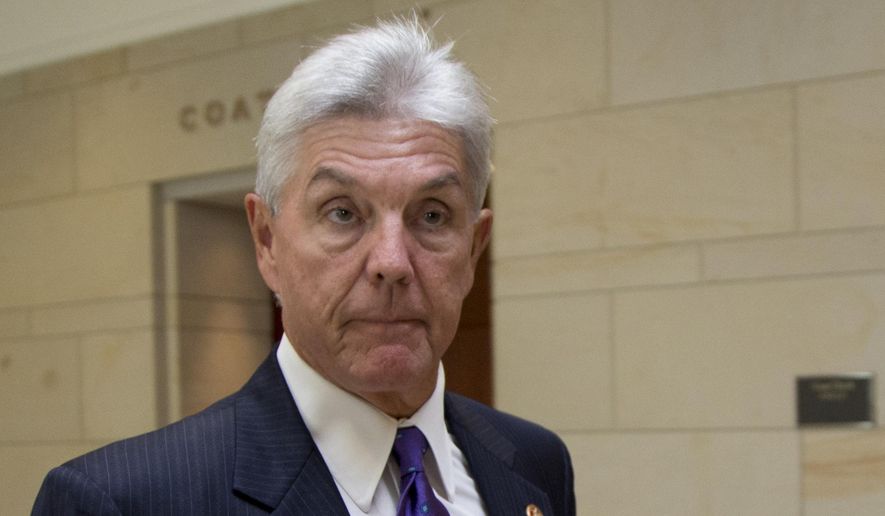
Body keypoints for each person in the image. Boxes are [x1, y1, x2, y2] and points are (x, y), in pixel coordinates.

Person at [32, 16, 575, 516]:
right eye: (342, 213)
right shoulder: (122, 502)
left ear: (474, 248)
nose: (392, 263)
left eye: (432, 216)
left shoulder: (535, 462)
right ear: (267, 241)